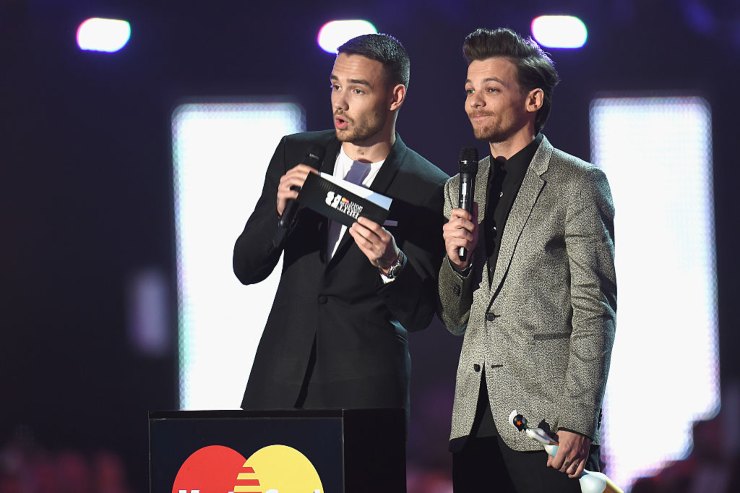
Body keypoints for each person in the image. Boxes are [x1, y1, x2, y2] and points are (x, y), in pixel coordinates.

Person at [437, 28, 617, 492]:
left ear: (533, 99)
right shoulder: (460, 189)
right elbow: (456, 317)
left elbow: (595, 310)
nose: (475, 101)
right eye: (469, 90)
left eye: (491, 90)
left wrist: (579, 419)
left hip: (548, 425)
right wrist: (457, 264)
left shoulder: (576, 183)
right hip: (473, 423)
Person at [233, 33, 448, 417]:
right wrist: (280, 216)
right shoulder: (296, 152)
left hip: (363, 392)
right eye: (335, 86)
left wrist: (390, 262)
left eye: (358, 90)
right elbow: (246, 267)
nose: (340, 102)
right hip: (279, 383)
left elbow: (418, 315)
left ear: (395, 97)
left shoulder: (428, 186)